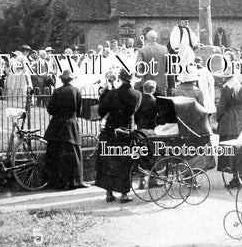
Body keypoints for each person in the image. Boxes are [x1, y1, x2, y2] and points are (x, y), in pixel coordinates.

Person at [96, 68, 142, 203]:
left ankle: (109, 193)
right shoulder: (137, 94)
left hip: (110, 131)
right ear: (132, 79)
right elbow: (135, 112)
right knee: (124, 163)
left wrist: (104, 95)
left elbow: (101, 111)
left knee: (108, 161)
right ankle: (124, 194)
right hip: (126, 131)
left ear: (120, 78)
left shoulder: (112, 94)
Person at [44, 69, 88, 190]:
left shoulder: (57, 91)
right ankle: (75, 181)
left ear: (62, 80)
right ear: (71, 79)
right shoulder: (76, 91)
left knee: (57, 153)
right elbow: (79, 110)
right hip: (71, 124)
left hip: (57, 125)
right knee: (74, 153)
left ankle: (58, 182)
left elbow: (50, 109)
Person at [216, 65, 242, 189]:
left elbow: (221, 107)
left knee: (228, 149)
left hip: (228, 120)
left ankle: (235, 178)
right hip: (239, 118)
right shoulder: (240, 86)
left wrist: (219, 119)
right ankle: (238, 175)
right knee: (237, 149)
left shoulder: (226, 89)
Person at [135, 30, 168, 96]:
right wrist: (171, 86)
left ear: (147, 39)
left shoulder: (142, 51)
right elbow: (170, 69)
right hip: (161, 85)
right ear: (157, 38)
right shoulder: (165, 50)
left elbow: (138, 69)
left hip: (146, 86)